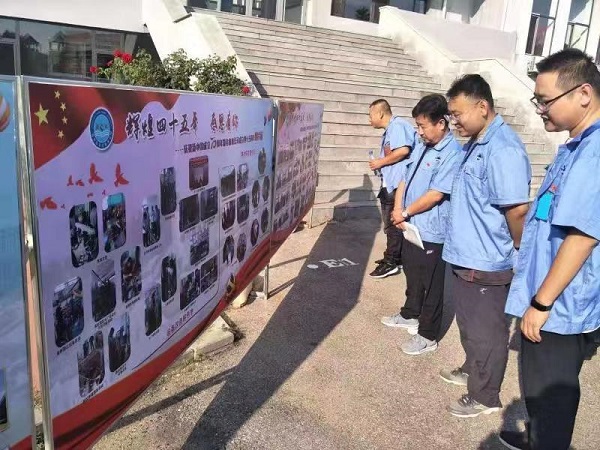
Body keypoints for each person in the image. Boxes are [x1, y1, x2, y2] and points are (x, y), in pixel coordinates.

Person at [500, 49, 600, 450]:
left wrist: (541, 304)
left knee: (552, 400)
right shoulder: (576, 146)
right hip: (550, 296)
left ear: (584, 94)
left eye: (546, 100)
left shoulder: (594, 152)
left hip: (559, 307)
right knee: (539, 395)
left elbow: (583, 236)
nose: (540, 108)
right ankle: (537, 437)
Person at [441, 74, 531, 418]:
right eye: (451, 114)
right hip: (466, 255)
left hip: (487, 260)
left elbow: (517, 211)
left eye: (458, 114)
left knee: (486, 332)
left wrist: (518, 250)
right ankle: (472, 368)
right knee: (470, 325)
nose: (454, 121)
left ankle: (484, 396)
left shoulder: (503, 149)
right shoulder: (477, 143)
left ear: (482, 107)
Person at [383, 94, 461, 355]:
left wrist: (404, 212)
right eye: (417, 126)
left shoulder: (451, 153)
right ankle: (410, 314)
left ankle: (428, 335)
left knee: (432, 284)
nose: (419, 131)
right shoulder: (422, 144)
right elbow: (405, 177)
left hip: (432, 230)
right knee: (413, 273)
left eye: (422, 126)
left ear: (441, 123)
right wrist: (398, 209)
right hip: (410, 224)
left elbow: (436, 194)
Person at [368, 99, 416, 278]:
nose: (369, 119)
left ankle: (391, 262)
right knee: (391, 224)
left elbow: (403, 150)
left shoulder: (397, 126)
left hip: (397, 184)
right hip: (390, 182)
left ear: (380, 113)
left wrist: (380, 162)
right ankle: (394, 256)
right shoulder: (391, 129)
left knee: (392, 224)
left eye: (370, 115)